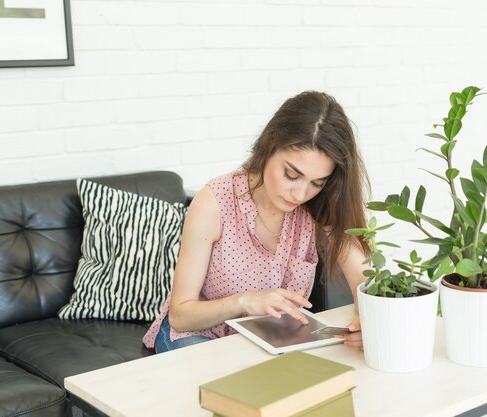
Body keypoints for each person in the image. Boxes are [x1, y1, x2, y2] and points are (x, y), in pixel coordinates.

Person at [142, 91, 371, 353]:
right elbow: (181, 316)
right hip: (198, 334)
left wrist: (369, 323)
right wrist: (244, 301)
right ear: (268, 146)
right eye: (291, 174)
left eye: (316, 183)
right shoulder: (214, 203)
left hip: (267, 338)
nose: (300, 194)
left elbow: (365, 283)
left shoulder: (317, 205)